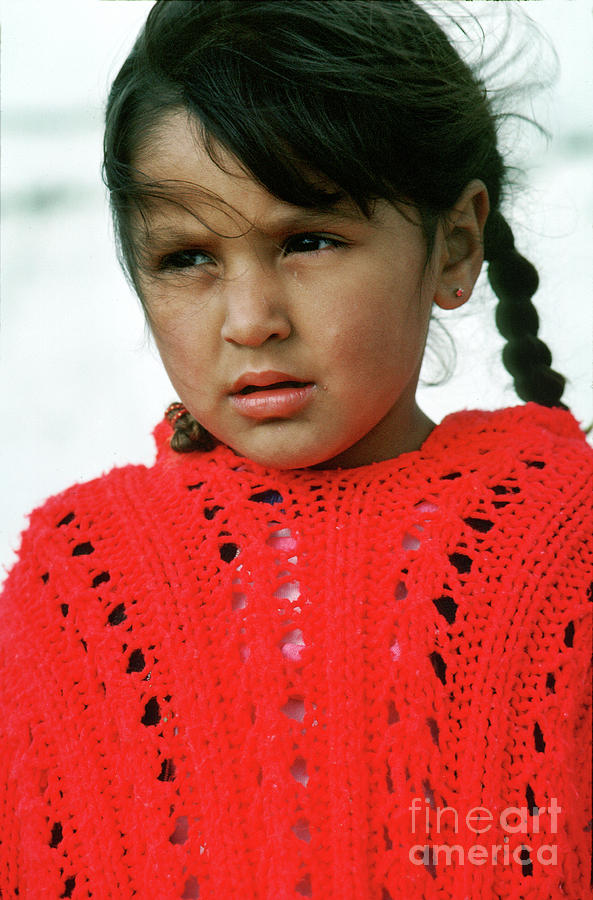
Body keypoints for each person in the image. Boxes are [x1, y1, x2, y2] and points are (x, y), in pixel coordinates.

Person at [1, 2, 591, 898]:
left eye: (308, 241)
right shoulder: (83, 579)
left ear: (454, 244)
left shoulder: (566, 542)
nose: (249, 321)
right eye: (187, 259)